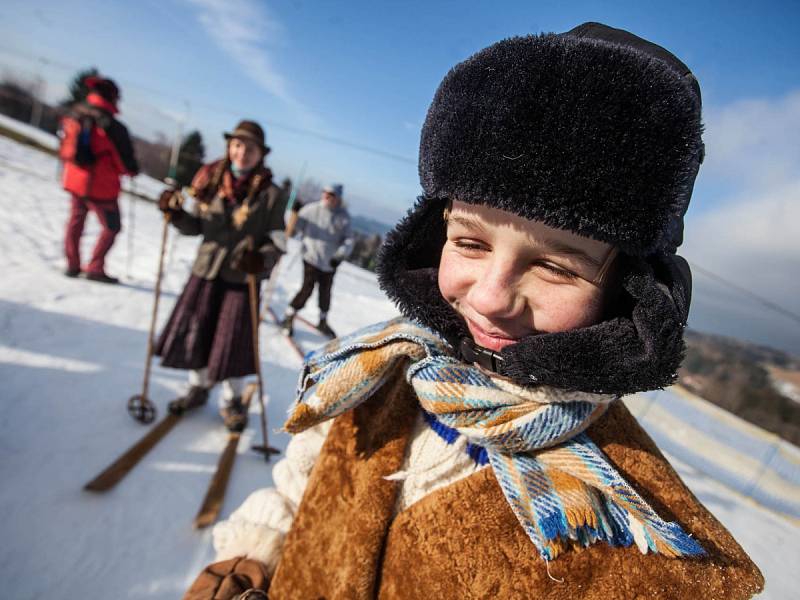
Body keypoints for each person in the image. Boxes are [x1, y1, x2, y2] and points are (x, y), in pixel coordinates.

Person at [182, 24, 763, 599]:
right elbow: (305, 485)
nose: (487, 298)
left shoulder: (631, 545)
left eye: (558, 268)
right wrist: (256, 554)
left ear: (625, 294)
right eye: (470, 243)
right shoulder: (392, 371)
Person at [155, 120, 288, 432]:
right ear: (230, 147)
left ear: (260, 154)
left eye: (250, 148)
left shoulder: (271, 194)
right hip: (206, 271)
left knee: (231, 342)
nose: (242, 152)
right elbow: (197, 227)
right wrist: (175, 214)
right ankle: (198, 388)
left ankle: (232, 400)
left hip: (242, 279)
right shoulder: (211, 180)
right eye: (237, 145)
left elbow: (278, 241)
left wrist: (262, 259)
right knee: (198, 333)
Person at [59, 75, 139, 283]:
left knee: (75, 222)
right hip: (101, 187)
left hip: (75, 179)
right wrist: (132, 170)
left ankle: (72, 264)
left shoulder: (74, 113)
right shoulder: (112, 126)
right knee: (112, 227)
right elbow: (126, 164)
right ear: (112, 98)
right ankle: (95, 266)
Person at [279, 184, 354, 338]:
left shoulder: (343, 216)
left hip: (330, 262)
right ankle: (289, 315)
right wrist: (292, 211)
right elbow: (294, 224)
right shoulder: (312, 209)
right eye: (325, 193)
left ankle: (322, 321)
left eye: (331, 194)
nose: (327, 196)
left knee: (325, 293)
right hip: (311, 257)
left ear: (338, 198)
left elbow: (349, 240)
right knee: (307, 289)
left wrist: (340, 255)